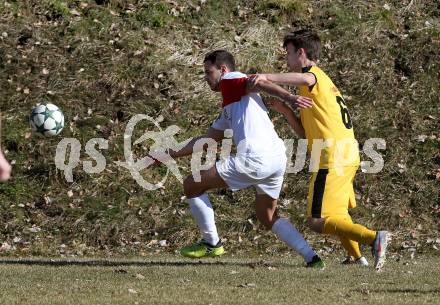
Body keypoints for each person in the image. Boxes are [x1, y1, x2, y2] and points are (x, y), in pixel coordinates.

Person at [154, 49, 324, 267]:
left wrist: (289, 97)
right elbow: (207, 140)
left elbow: (257, 82)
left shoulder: (230, 80)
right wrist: (168, 154)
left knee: (191, 185)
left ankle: (211, 243)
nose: (207, 78)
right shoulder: (232, 104)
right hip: (277, 159)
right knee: (267, 215)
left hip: (255, 158)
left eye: (209, 72)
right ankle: (312, 257)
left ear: (223, 69)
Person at [248, 29, 388, 270]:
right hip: (345, 154)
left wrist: (266, 77)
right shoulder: (316, 88)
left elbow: (305, 79)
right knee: (339, 214)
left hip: (331, 157)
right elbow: (305, 134)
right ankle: (358, 258)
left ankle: (374, 238)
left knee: (316, 220)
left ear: (301, 52)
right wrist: (286, 112)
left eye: (289, 53)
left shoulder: (313, 76)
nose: (287, 59)